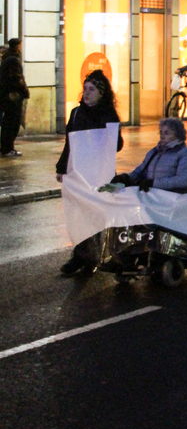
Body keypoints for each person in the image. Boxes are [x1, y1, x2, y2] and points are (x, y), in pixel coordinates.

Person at [57, 70, 124, 275]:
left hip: (99, 173)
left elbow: (117, 145)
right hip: (78, 171)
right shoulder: (76, 113)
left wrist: (111, 134)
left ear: (102, 93)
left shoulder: (108, 114)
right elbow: (70, 143)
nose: (86, 93)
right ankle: (80, 256)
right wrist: (61, 168)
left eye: (92, 89)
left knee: (95, 214)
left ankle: (93, 256)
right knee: (77, 214)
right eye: (85, 88)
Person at [110, 118, 187, 194]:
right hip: (152, 196)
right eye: (161, 132)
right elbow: (141, 170)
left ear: (178, 135)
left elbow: (184, 181)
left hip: (172, 198)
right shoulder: (154, 152)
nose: (162, 136)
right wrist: (126, 177)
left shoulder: (186, 154)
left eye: (167, 133)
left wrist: (153, 183)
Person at [0, 38, 29, 157]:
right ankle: (8, 148)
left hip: (7, 96)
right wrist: (25, 90)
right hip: (13, 97)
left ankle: (6, 147)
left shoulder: (7, 58)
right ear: (17, 46)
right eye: (20, 46)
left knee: (7, 122)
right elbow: (17, 78)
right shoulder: (14, 60)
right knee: (13, 123)